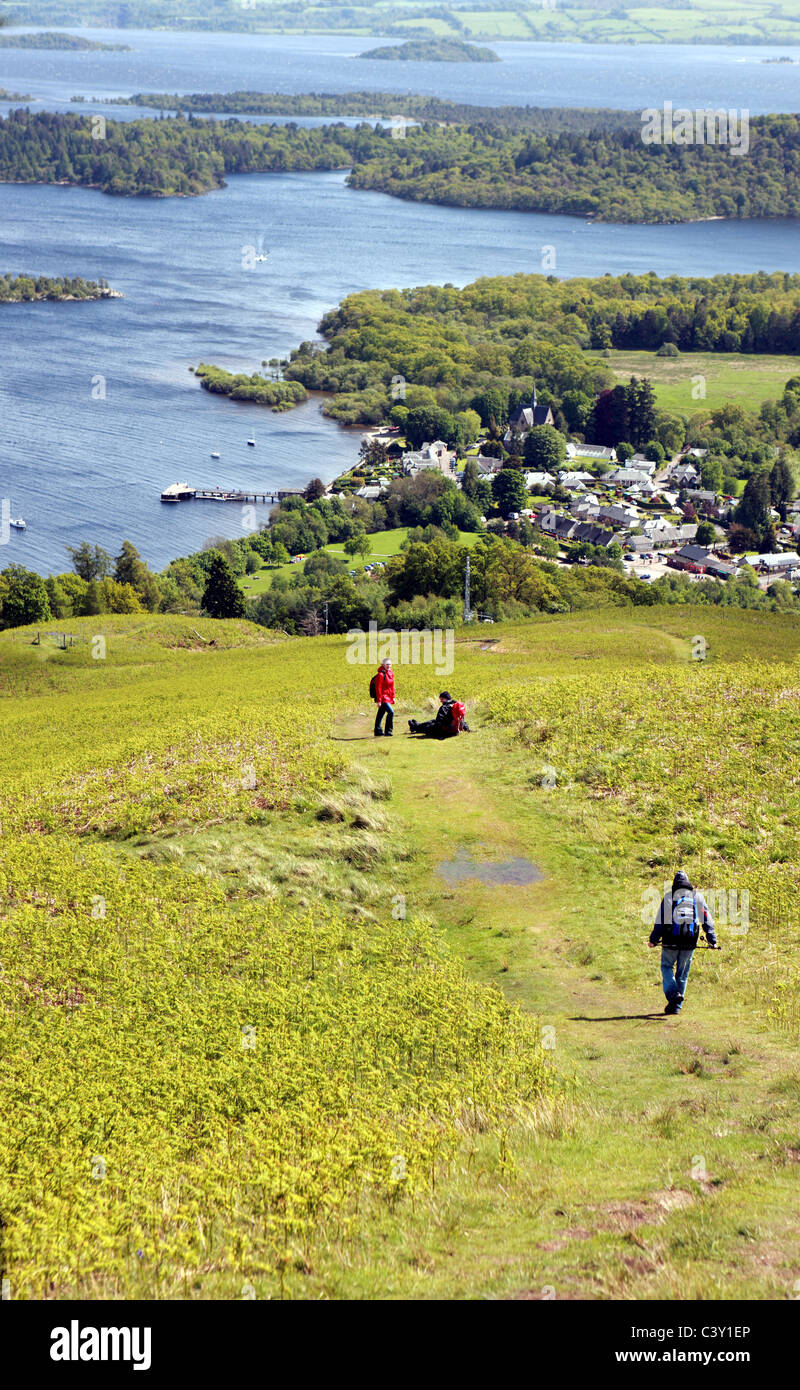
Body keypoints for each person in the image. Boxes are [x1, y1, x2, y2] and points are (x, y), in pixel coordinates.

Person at [649, 870, 718, 1015]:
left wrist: (653, 940)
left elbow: (660, 921)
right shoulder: (697, 897)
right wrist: (712, 940)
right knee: (682, 974)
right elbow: (706, 919)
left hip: (670, 941)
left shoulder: (669, 897)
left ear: (674, 884)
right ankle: (675, 1007)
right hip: (689, 942)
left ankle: (674, 995)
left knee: (666, 967)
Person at [372, 658, 394, 738]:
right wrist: (379, 700)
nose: (388, 666)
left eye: (390, 664)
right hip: (383, 697)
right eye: (387, 664)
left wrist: (393, 696)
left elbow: (392, 686)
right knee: (391, 712)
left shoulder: (391, 673)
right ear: (383, 664)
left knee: (381, 713)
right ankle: (388, 731)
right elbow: (378, 688)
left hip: (388, 696)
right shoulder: (380, 675)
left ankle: (377, 730)